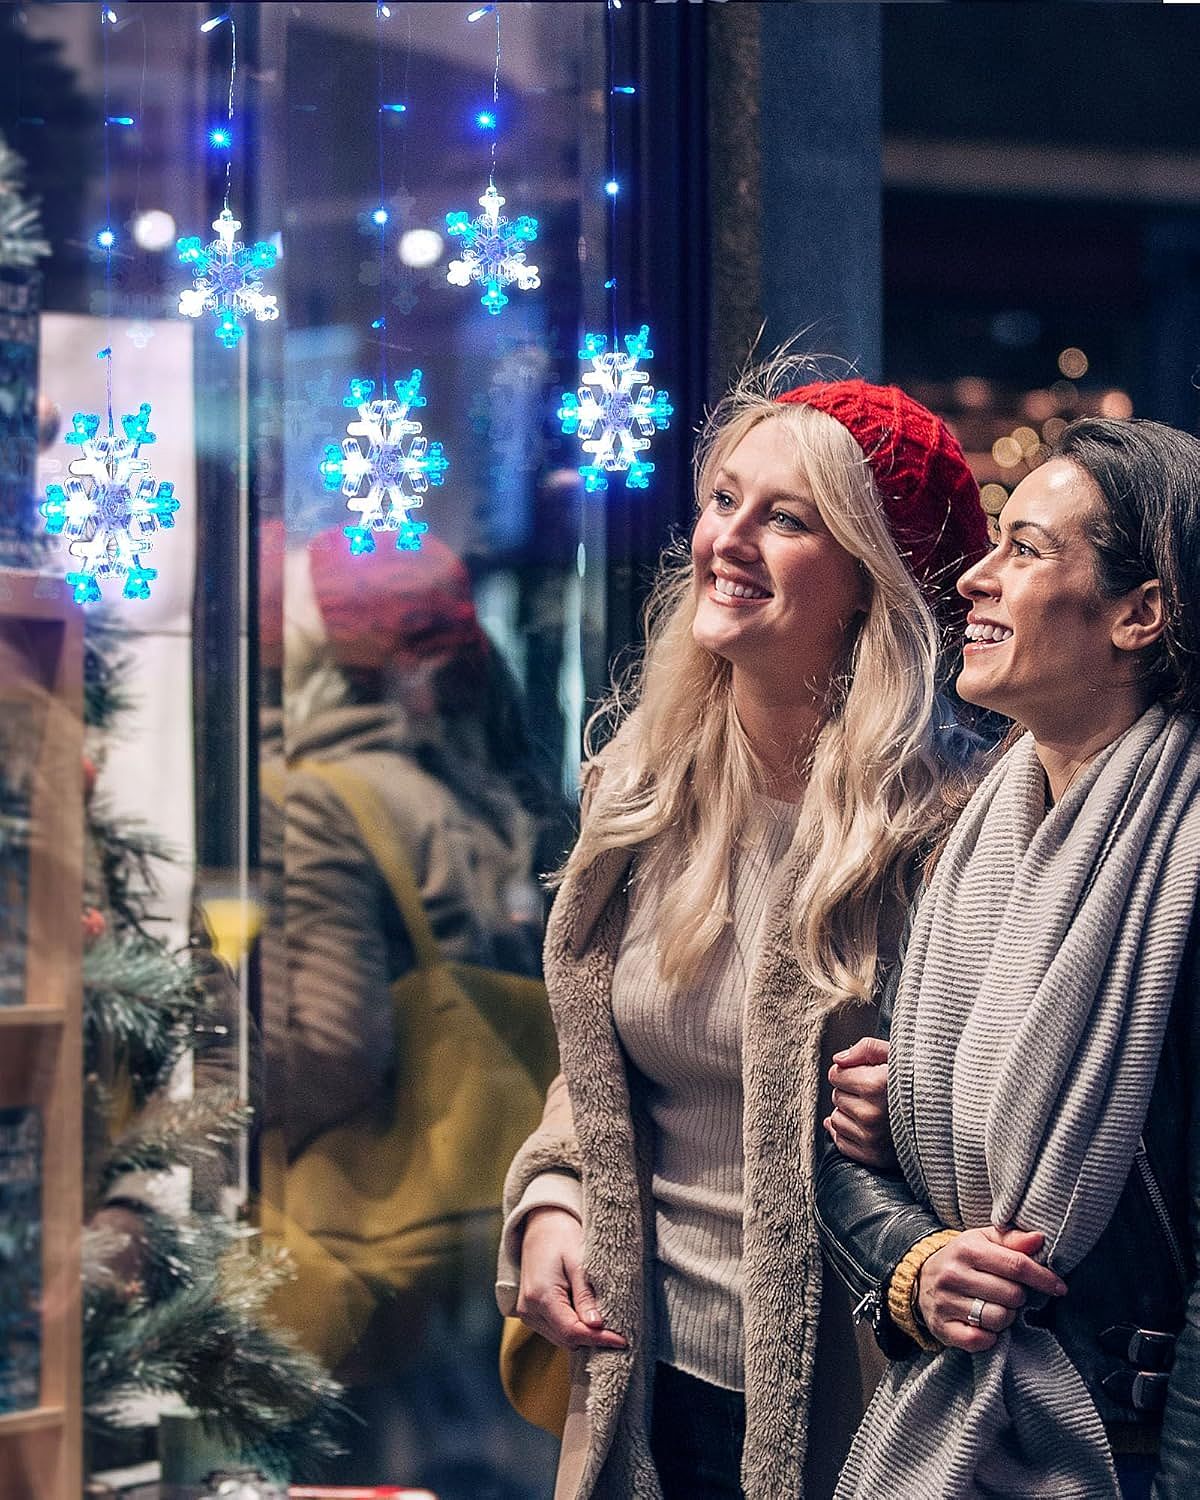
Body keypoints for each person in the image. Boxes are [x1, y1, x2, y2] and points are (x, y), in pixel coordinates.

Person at [496, 361, 990, 1500]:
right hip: (637, 1372)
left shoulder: (954, 827)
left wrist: (917, 1105)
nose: (729, 538)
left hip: (853, 1395)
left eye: (787, 519)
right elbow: (600, 1060)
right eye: (725, 500)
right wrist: (554, 1194)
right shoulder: (645, 784)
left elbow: (1005, 1110)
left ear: (870, 576)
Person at [815, 417, 1200, 1500]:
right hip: (963, 1426)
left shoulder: (1187, 860)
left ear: (1140, 613)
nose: (974, 579)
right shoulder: (967, 842)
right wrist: (915, 1264)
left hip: (1124, 1451)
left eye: (1025, 550)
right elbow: (848, 1149)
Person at [258, 528, 561, 1497]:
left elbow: (334, 1043)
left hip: (371, 1237)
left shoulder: (313, 797)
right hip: (483, 1217)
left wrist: (217, 1117)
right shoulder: (486, 784)